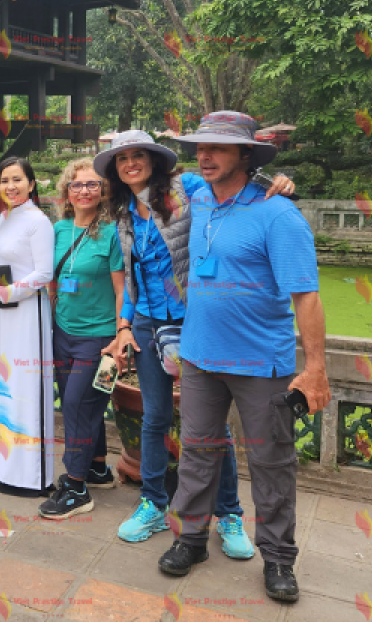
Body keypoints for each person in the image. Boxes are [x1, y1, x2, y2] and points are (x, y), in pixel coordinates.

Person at [158, 112, 330, 602]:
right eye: (200, 148)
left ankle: (278, 557)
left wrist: (315, 368)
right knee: (197, 451)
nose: (205, 157)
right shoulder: (198, 198)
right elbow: (153, 173)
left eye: (218, 149)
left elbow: (307, 296)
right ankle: (190, 540)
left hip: (261, 362)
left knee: (272, 461)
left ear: (246, 155)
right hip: (199, 357)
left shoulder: (279, 214)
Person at [97, 130, 292, 555]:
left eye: (138, 156)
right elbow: (131, 280)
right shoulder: (124, 213)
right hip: (148, 325)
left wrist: (275, 181)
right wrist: (125, 326)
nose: (130, 163)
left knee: (208, 427)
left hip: (194, 324)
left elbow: (237, 186)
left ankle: (229, 514)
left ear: (153, 160)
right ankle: (153, 501)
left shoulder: (186, 190)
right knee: (154, 417)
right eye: (122, 158)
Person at [39, 159, 124, 519]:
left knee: (77, 405)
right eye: (77, 185)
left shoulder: (113, 233)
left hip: (100, 338)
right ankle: (98, 467)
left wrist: (122, 333)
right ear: (66, 193)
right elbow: (52, 280)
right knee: (82, 404)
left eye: (92, 185)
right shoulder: (58, 230)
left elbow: (123, 290)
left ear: (103, 192)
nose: (84, 190)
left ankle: (76, 488)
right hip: (64, 333)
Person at [0, 157, 55, 495]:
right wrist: (0, 294)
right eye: (4, 181)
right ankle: (4, 466)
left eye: (17, 179)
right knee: (6, 386)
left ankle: (33, 477)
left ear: (31, 183)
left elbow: (44, 273)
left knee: (27, 391)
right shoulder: (3, 217)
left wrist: (8, 292)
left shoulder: (37, 221)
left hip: (28, 314)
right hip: (4, 311)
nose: (10, 186)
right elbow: (3, 264)